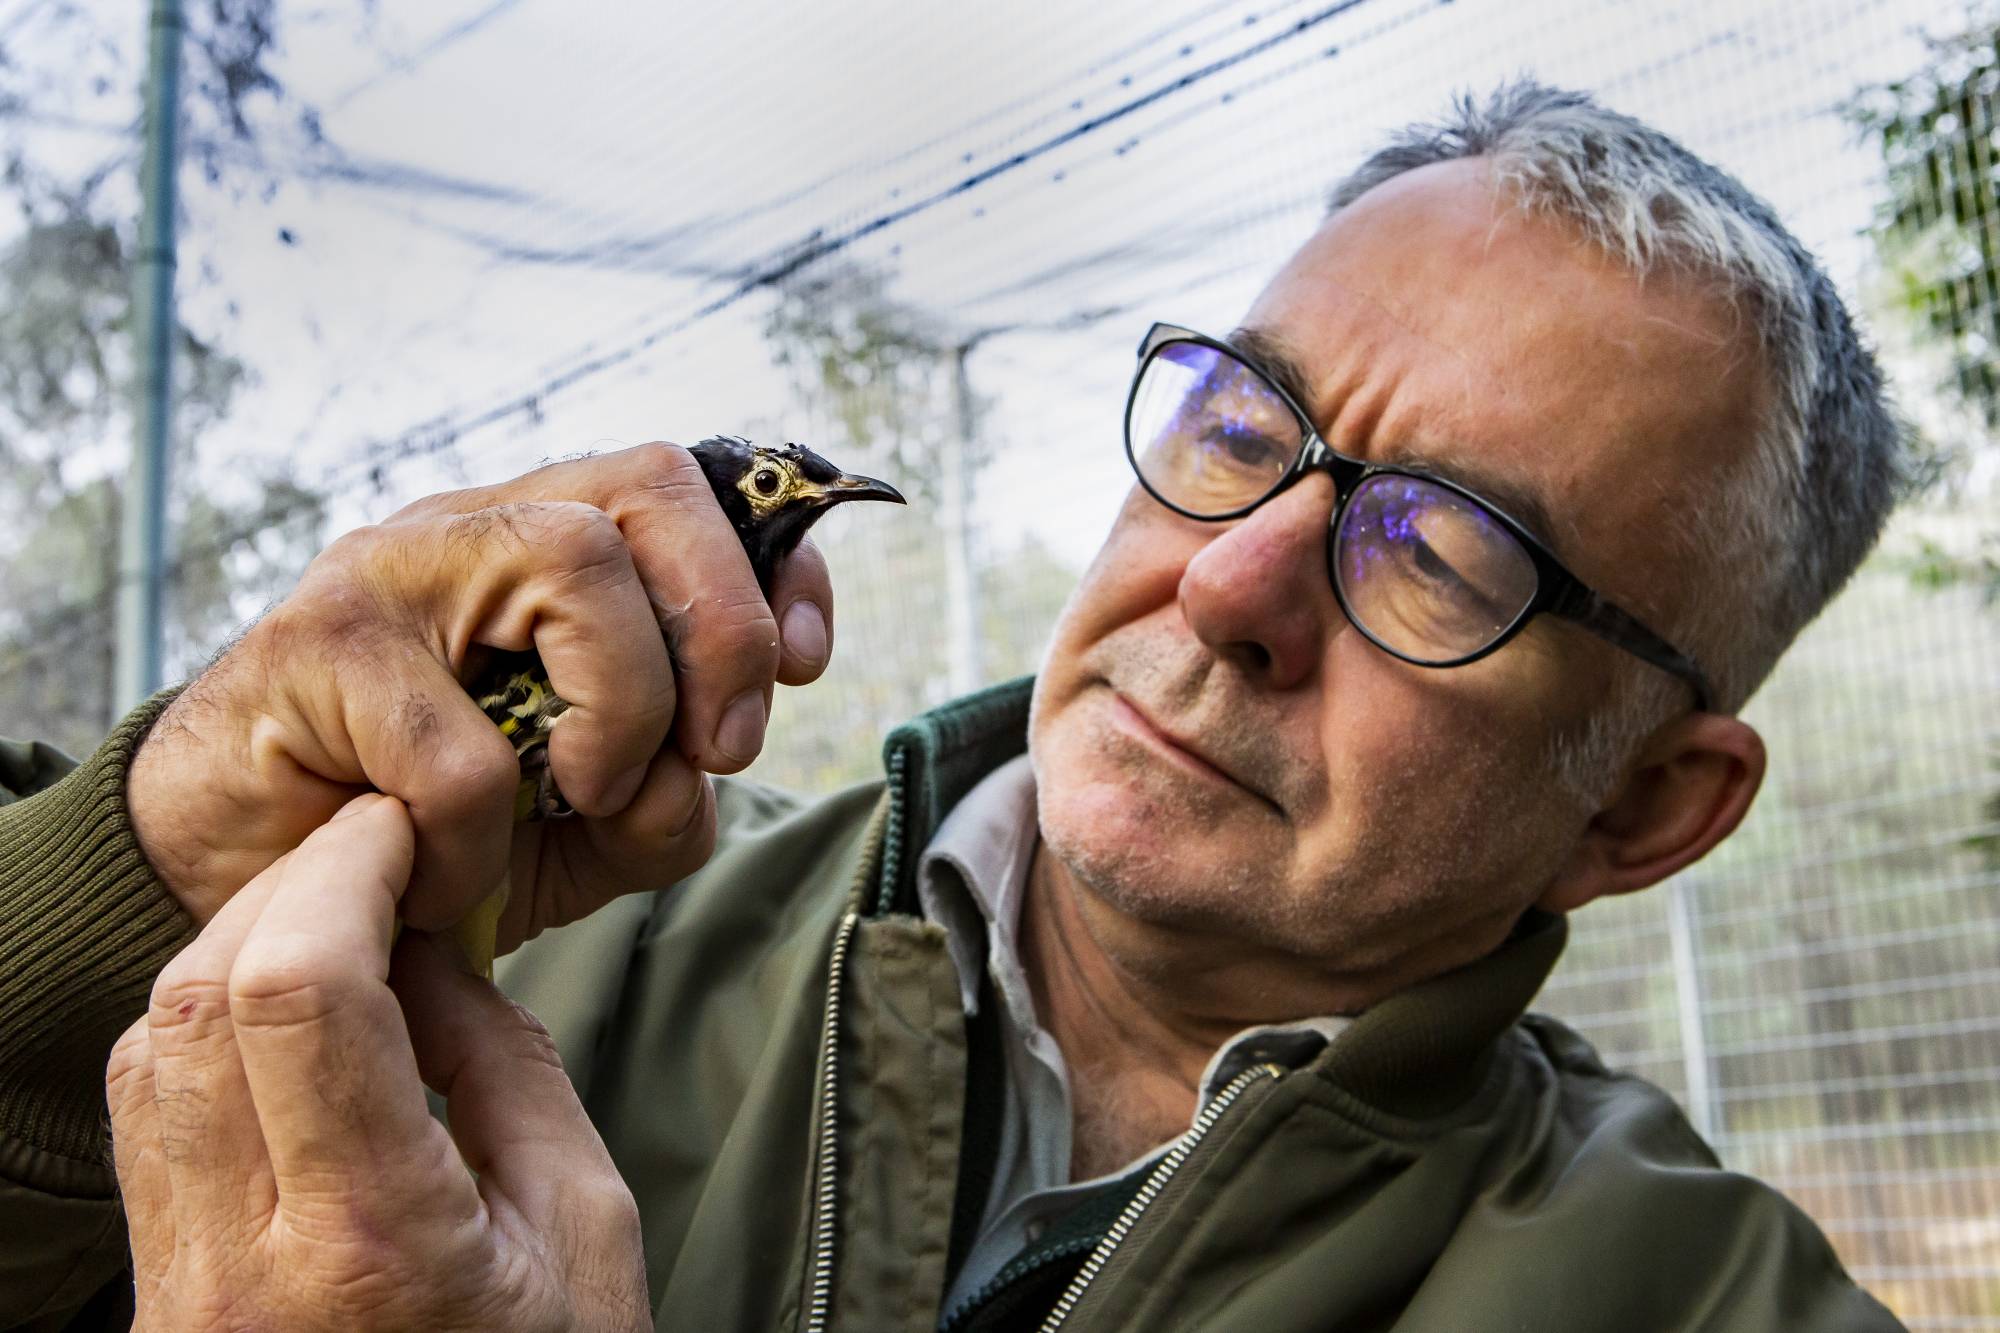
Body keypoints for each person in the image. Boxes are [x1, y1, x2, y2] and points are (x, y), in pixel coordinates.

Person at [0, 82, 1910, 1331]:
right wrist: (145, 867)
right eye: (1244, 425)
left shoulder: (1706, 1300)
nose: (1230, 579)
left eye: (1447, 547)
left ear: (1648, 805)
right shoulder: (498, 930)